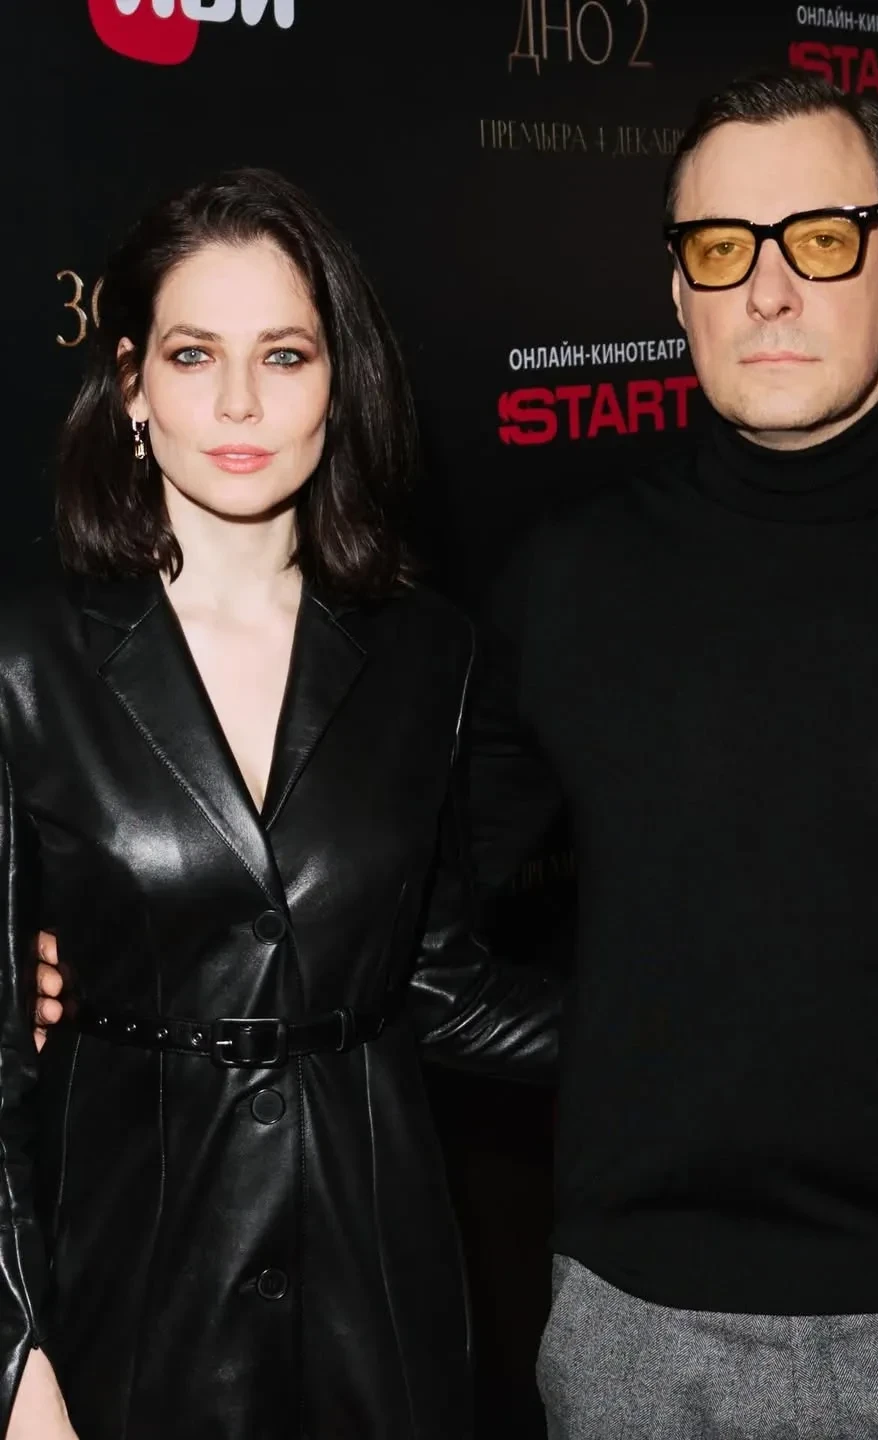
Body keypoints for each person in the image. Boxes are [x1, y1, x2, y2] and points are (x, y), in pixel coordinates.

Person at [36, 73, 878, 1438]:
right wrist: (99, 956)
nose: (771, 289)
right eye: (724, 247)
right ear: (679, 289)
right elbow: (385, 908)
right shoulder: (567, 585)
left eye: (823, 238)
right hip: (638, 1334)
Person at [5, 167, 557, 1440]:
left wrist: (694, 1045)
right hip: (125, 1289)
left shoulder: (428, 653)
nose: (241, 403)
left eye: (286, 355)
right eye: (195, 355)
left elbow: (437, 982)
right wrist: (16, 1356)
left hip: (379, 1286)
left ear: (339, 383)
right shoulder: (26, 662)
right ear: (132, 383)